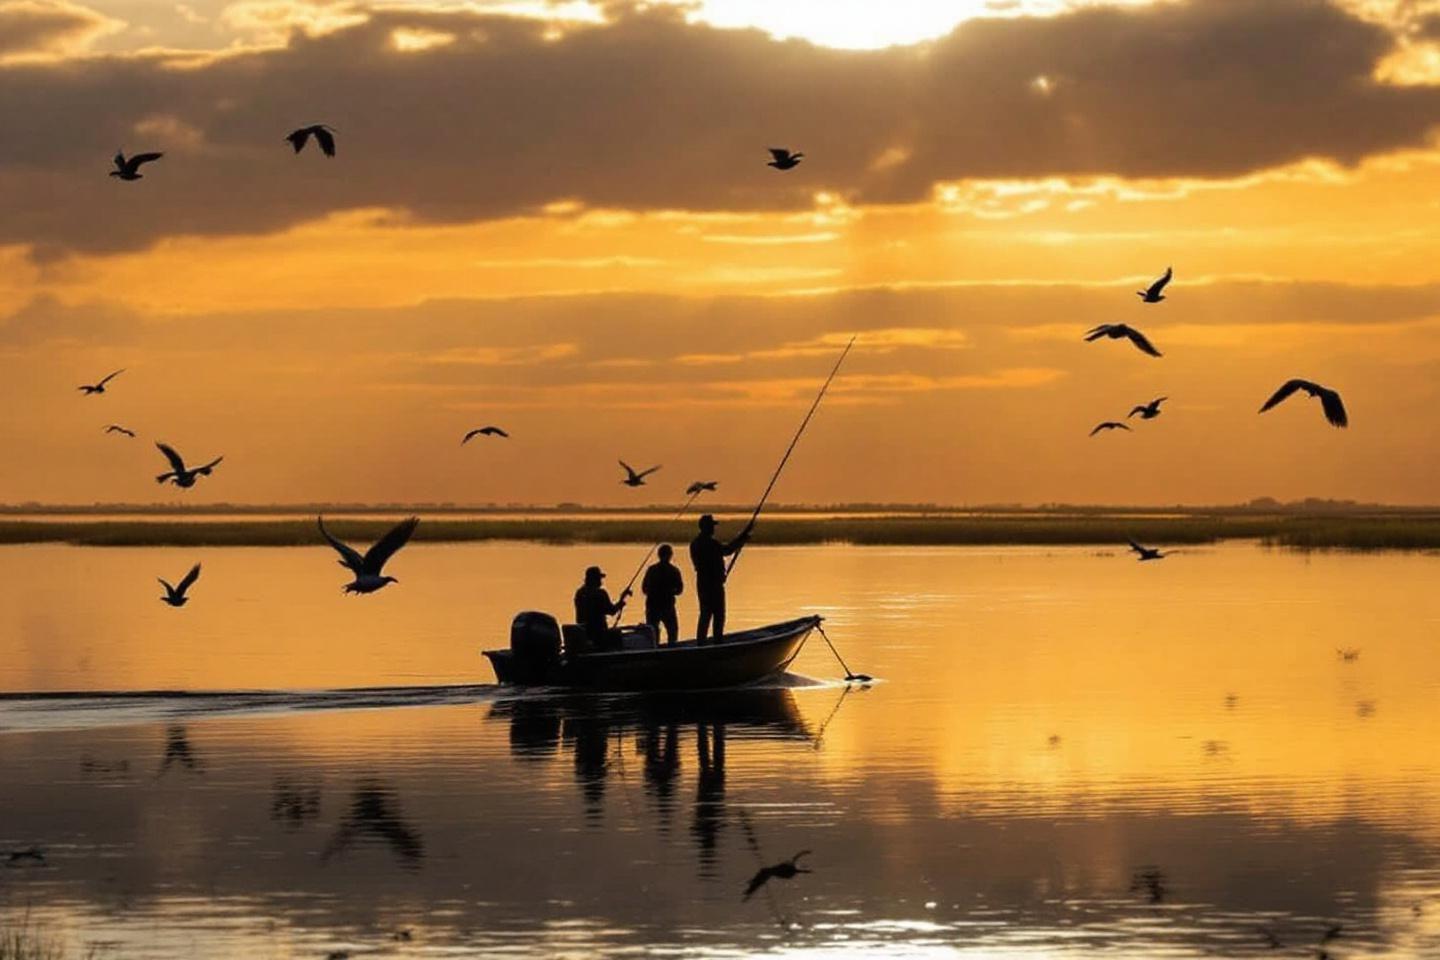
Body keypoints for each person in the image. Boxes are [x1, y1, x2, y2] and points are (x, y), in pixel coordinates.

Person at [689, 515, 751, 645]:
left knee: (705, 614)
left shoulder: (694, 544)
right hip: (714, 584)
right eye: (711, 526)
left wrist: (742, 538)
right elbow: (728, 550)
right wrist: (742, 538)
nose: (713, 529)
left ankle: (701, 643)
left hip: (702, 583)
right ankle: (717, 642)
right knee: (718, 614)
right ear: (706, 527)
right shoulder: (712, 544)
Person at [573, 565, 629, 651]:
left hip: (584, 633)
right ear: (595, 579)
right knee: (616, 634)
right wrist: (621, 602)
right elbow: (612, 611)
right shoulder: (600, 593)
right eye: (599, 578)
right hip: (599, 634)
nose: (601, 581)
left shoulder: (579, 593)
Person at [642, 543, 685, 645]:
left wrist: (653, 592)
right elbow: (680, 590)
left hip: (652, 605)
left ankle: (654, 649)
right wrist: (670, 592)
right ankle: (671, 648)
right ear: (670, 555)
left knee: (653, 633)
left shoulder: (651, 570)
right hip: (667, 606)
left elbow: (644, 589)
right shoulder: (674, 571)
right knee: (672, 631)